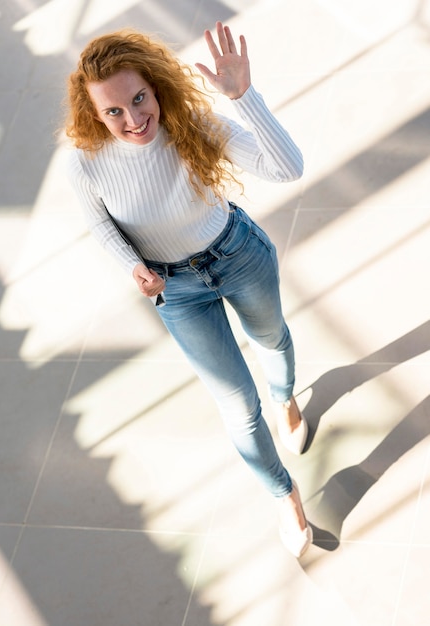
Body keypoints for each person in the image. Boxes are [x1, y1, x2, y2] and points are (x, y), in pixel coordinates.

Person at [65, 21, 312, 557]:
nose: (133, 120)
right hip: (175, 291)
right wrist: (135, 268)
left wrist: (244, 97)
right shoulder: (85, 162)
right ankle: (285, 494)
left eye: (139, 99)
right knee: (237, 404)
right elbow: (105, 228)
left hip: (236, 252)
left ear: (155, 85)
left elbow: (288, 169)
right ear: (94, 114)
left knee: (272, 340)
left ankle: (287, 397)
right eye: (113, 111)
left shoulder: (191, 122)